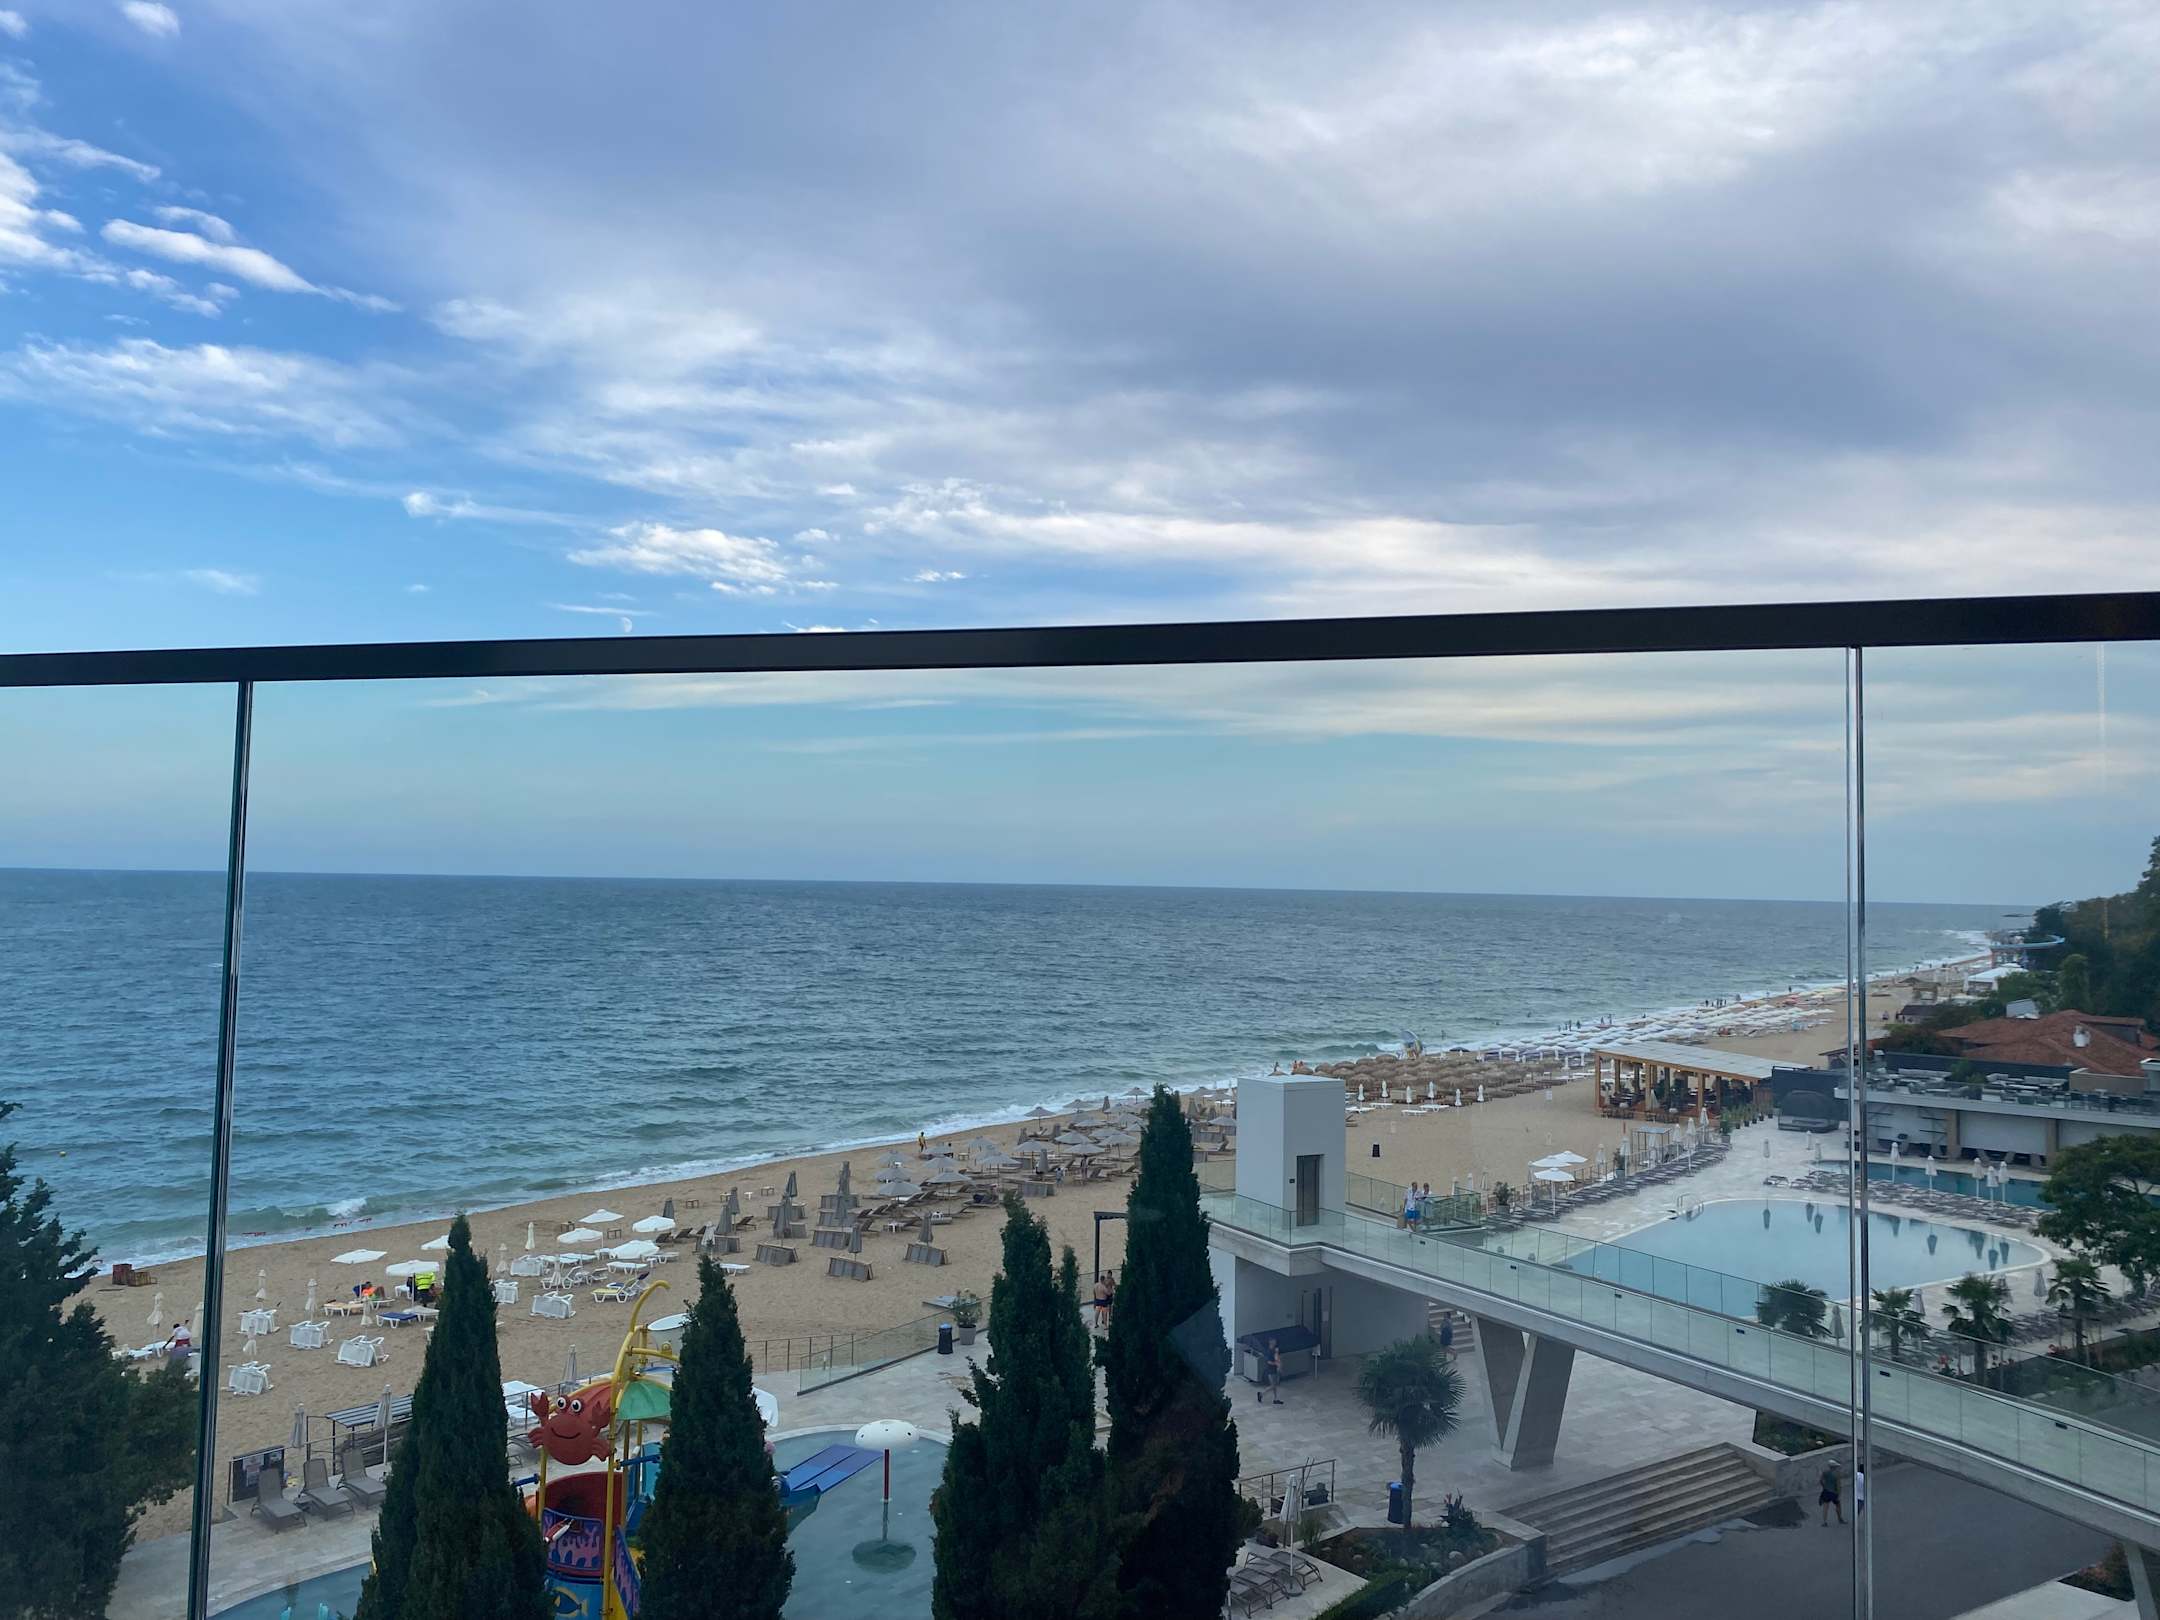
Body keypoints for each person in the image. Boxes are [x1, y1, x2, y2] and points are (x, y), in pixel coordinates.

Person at [1256, 1337, 1284, 1405]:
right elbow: (1269, 1362)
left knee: (1275, 1385)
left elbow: (1276, 1358)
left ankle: (1275, 1399)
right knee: (1273, 1385)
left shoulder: (1273, 1350)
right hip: (1271, 1370)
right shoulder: (1269, 1351)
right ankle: (1261, 1394)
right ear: (1270, 1342)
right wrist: (1276, 1364)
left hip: (1274, 1369)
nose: (1275, 1342)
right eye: (1274, 1341)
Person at [1819, 1460, 1844, 1526]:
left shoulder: (1825, 1472)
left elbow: (1821, 1480)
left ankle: (1824, 1522)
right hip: (1834, 1493)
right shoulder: (1837, 1474)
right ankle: (1840, 1519)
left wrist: (1824, 1486)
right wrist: (1839, 1495)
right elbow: (1838, 1486)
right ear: (1834, 1467)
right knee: (1838, 1505)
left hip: (1826, 1491)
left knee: (1825, 1507)